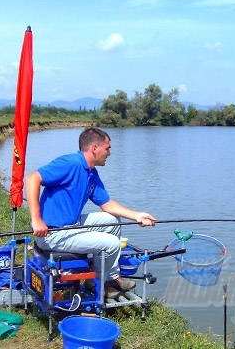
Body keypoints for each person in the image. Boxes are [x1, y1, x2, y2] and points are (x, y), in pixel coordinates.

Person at [25, 127, 156, 297]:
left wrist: (137, 216)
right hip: (52, 233)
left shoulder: (91, 172)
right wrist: (36, 219)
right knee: (112, 243)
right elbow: (32, 178)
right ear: (95, 148)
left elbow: (107, 204)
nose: (109, 153)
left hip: (72, 225)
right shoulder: (70, 163)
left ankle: (108, 277)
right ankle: (99, 284)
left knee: (112, 220)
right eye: (107, 148)